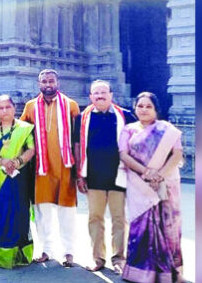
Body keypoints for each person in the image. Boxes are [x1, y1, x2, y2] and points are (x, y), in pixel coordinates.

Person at [118, 92, 185, 282]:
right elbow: (124, 155)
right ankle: (141, 273)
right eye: (140, 106)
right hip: (140, 185)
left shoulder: (167, 129)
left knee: (168, 228)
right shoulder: (129, 130)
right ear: (135, 108)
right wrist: (147, 173)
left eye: (148, 106)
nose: (144, 110)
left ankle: (169, 273)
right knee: (141, 227)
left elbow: (177, 154)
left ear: (156, 109)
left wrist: (159, 175)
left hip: (166, 184)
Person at [20, 69, 80, 267]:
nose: (48, 84)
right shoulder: (30, 107)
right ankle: (46, 249)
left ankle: (68, 252)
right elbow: (21, 135)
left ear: (57, 82)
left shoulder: (71, 105)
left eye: (51, 80)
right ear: (39, 84)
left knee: (67, 213)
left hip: (65, 167)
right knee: (42, 213)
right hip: (41, 169)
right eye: (44, 81)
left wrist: (80, 170)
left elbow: (79, 139)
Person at [75, 80, 136, 274]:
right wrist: (79, 175)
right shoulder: (82, 118)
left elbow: (138, 142)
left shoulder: (125, 116)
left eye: (103, 92)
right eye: (96, 93)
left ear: (111, 95)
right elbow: (77, 145)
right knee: (95, 218)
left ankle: (119, 258)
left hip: (119, 175)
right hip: (93, 176)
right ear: (90, 97)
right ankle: (97, 258)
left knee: (119, 218)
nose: (100, 96)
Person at [0, 95, 35, 269]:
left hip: (18, 177)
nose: (5, 111)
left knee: (18, 212)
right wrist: (1, 161)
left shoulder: (25, 128)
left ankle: (19, 254)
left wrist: (17, 162)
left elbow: (31, 149)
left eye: (8, 107)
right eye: (1, 108)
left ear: (14, 108)